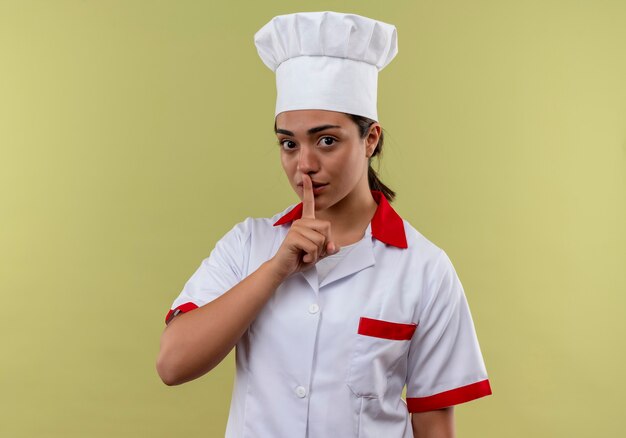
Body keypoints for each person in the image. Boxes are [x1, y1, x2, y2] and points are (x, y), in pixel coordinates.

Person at [156, 11, 492, 438]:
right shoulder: (248, 245)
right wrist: (276, 269)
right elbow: (172, 364)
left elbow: (434, 424)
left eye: (327, 140)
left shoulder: (425, 269)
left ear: (370, 140)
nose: (305, 166)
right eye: (288, 144)